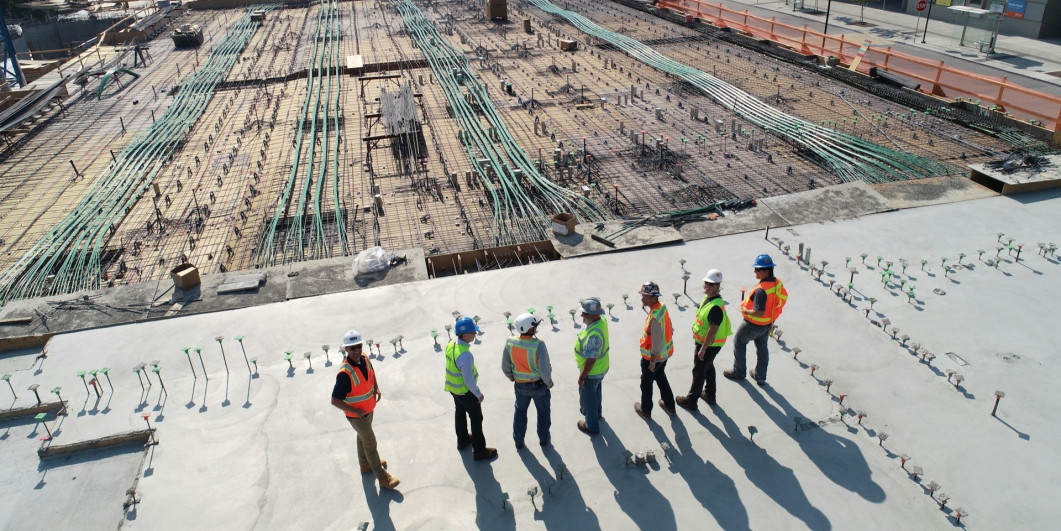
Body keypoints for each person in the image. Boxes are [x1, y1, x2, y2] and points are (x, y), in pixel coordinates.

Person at [330, 329, 400, 490]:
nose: (356, 350)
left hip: (368, 410)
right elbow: (335, 400)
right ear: (346, 349)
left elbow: (371, 373)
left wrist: (376, 387)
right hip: (357, 416)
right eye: (352, 348)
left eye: (358, 346)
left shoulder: (365, 358)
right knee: (370, 443)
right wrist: (355, 412)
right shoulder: (345, 374)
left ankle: (365, 464)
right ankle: (383, 478)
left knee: (362, 437)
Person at [724, 254, 789, 386]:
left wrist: (745, 310)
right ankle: (760, 376)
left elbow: (759, 312)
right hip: (768, 323)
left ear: (766, 271)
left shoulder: (761, 291)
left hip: (753, 324)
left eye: (758, 269)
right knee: (762, 347)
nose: (755, 272)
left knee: (739, 342)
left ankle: (739, 371)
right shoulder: (777, 282)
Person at [676, 269, 732, 411]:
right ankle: (710, 394)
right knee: (708, 366)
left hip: (709, 345)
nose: (707, 287)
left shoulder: (715, 307)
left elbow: (713, 330)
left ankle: (691, 401)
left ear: (718, 286)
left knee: (699, 371)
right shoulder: (708, 299)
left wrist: (703, 349)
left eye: (711, 285)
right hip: (708, 343)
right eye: (706, 283)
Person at [445, 316, 497, 461]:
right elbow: (468, 380)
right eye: (473, 332)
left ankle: (462, 440)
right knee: (476, 418)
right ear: (465, 334)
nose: (475, 334)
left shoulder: (451, 345)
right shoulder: (465, 355)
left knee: (460, 413)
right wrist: (478, 394)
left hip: (453, 389)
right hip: (465, 392)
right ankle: (479, 450)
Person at [502, 313, 553, 449]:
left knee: (520, 412)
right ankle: (543, 438)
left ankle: (519, 441)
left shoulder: (510, 342)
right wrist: (549, 383)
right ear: (530, 329)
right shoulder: (539, 345)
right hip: (539, 386)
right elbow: (544, 369)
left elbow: (505, 366)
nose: (536, 328)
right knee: (543, 413)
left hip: (520, 386)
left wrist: (512, 377)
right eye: (535, 326)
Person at [635, 281, 676, 420]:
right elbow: (669, 324)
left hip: (653, 359)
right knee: (660, 377)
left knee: (646, 383)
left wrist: (652, 362)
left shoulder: (654, 317)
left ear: (654, 297)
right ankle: (670, 405)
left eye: (645, 296)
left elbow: (656, 344)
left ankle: (645, 410)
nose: (642, 299)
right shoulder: (661, 307)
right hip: (664, 356)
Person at [574, 297, 610, 435]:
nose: (582, 315)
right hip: (601, 368)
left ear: (595, 315)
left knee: (588, 399)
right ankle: (597, 413)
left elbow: (591, 360)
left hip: (592, 372)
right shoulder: (601, 321)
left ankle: (591, 425)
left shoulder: (594, 335)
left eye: (585, 313)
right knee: (596, 391)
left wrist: (582, 377)